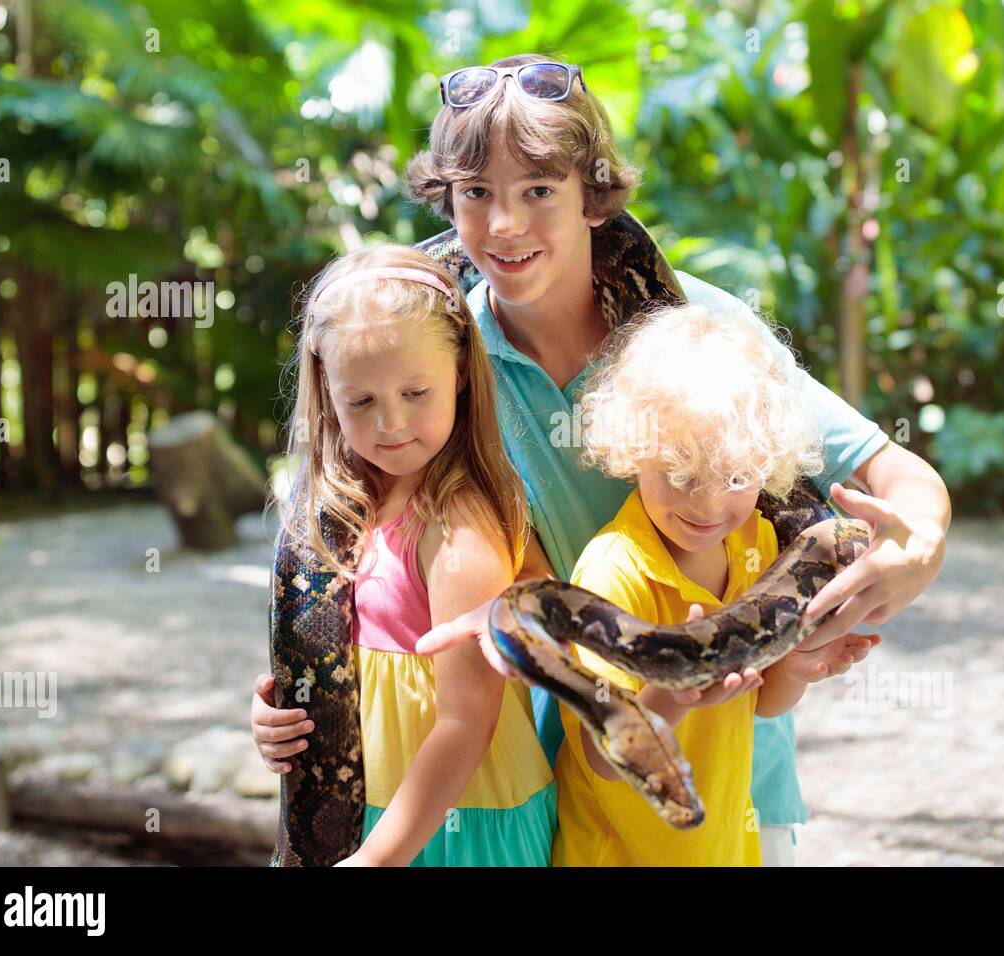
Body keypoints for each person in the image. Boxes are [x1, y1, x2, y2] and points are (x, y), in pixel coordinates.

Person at [252, 53, 951, 865]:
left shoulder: (696, 335)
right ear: (447, 201)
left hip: (735, 792)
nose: (505, 226)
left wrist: (921, 546)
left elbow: (896, 475)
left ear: (593, 195)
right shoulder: (431, 357)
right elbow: (351, 525)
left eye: (539, 191)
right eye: (477, 194)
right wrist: (309, 692)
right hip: (550, 804)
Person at [553, 300, 879, 865]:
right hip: (622, 853)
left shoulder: (758, 545)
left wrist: (799, 663)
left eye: (734, 476)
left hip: (724, 844)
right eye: (681, 473)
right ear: (634, 453)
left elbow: (763, 703)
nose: (707, 504)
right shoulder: (613, 572)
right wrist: (672, 693)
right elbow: (603, 756)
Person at [269, 243, 555, 866]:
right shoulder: (346, 508)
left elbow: (466, 722)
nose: (391, 423)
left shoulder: (458, 526)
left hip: (459, 822)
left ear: (459, 372)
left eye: (415, 392)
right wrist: (276, 719)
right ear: (327, 392)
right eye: (361, 402)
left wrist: (378, 858)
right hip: (384, 814)